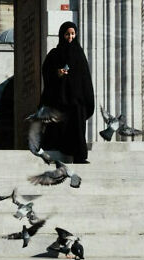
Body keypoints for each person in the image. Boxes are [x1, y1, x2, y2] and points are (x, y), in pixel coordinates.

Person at [40, 21, 95, 163]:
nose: (70, 37)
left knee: (77, 127)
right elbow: (46, 71)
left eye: (72, 34)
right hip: (60, 98)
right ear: (62, 35)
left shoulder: (79, 54)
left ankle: (79, 156)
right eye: (67, 34)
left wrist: (86, 97)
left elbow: (85, 77)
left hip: (76, 100)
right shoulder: (54, 54)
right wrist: (57, 73)